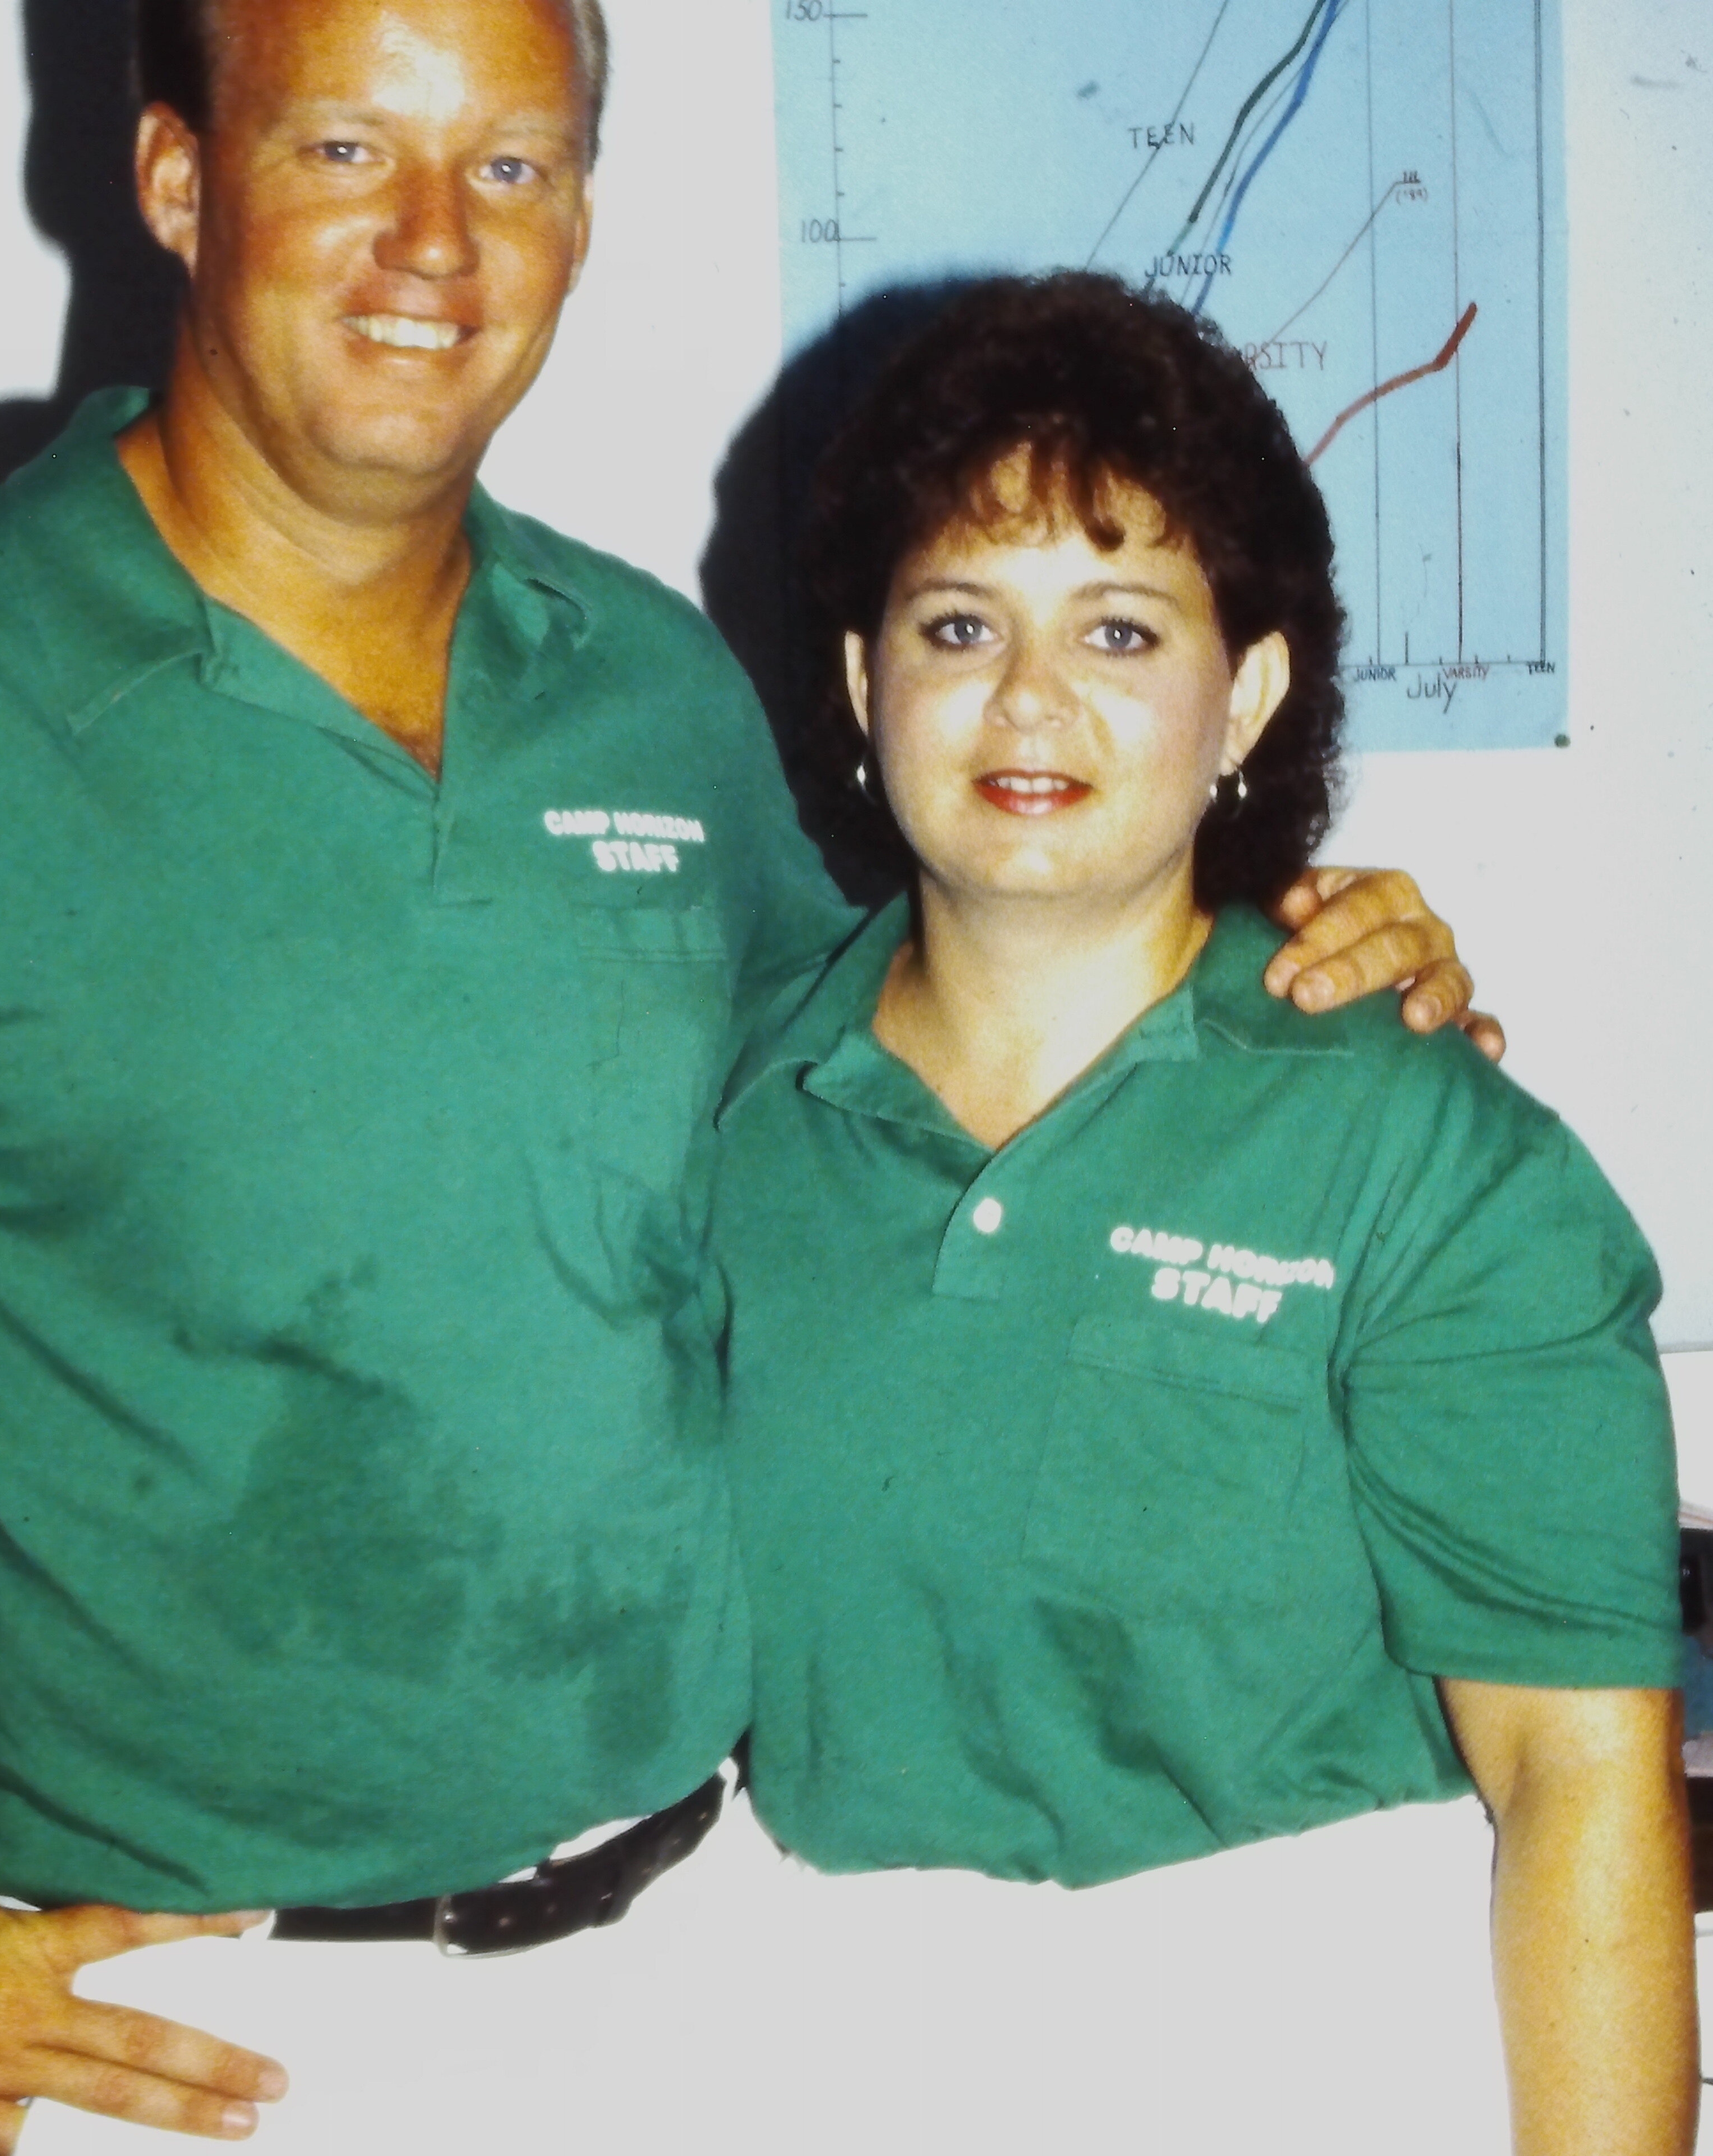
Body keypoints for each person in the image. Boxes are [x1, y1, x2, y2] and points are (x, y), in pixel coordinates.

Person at [0, 7, 1481, 2148]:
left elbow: (915, 1077)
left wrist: (1284, 976)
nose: (435, 245)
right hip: (189, 2047)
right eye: (346, 149)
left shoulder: (644, 680)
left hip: (701, 1956)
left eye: (513, 167)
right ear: (179, 179)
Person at [708, 271, 1690, 2154]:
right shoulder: (731, 1116)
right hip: (814, 2048)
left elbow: (1582, 1785)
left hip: (1305, 2060)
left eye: (1121, 630)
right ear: (859, 680)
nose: (1028, 698)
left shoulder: (1432, 1158)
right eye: (959, 623)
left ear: (1245, 692)